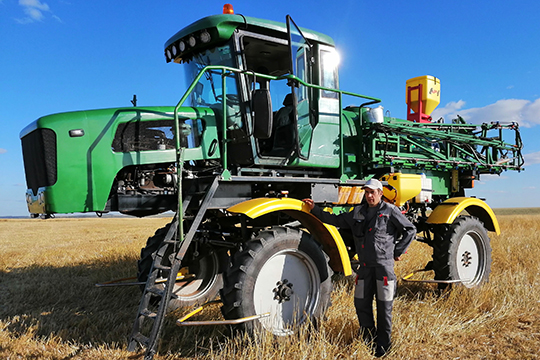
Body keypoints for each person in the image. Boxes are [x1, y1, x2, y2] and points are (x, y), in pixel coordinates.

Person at [303, 178, 416, 357]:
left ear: (380, 193)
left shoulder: (390, 211)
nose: (370, 195)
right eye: (367, 192)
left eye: (373, 192)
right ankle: (368, 341)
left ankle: (383, 347)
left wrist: (398, 251)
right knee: (361, 304)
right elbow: (335, 219)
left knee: (384, 307)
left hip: (383, 269)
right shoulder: (357, 212)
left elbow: (410, 230)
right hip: (364, 269)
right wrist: (315, 210)